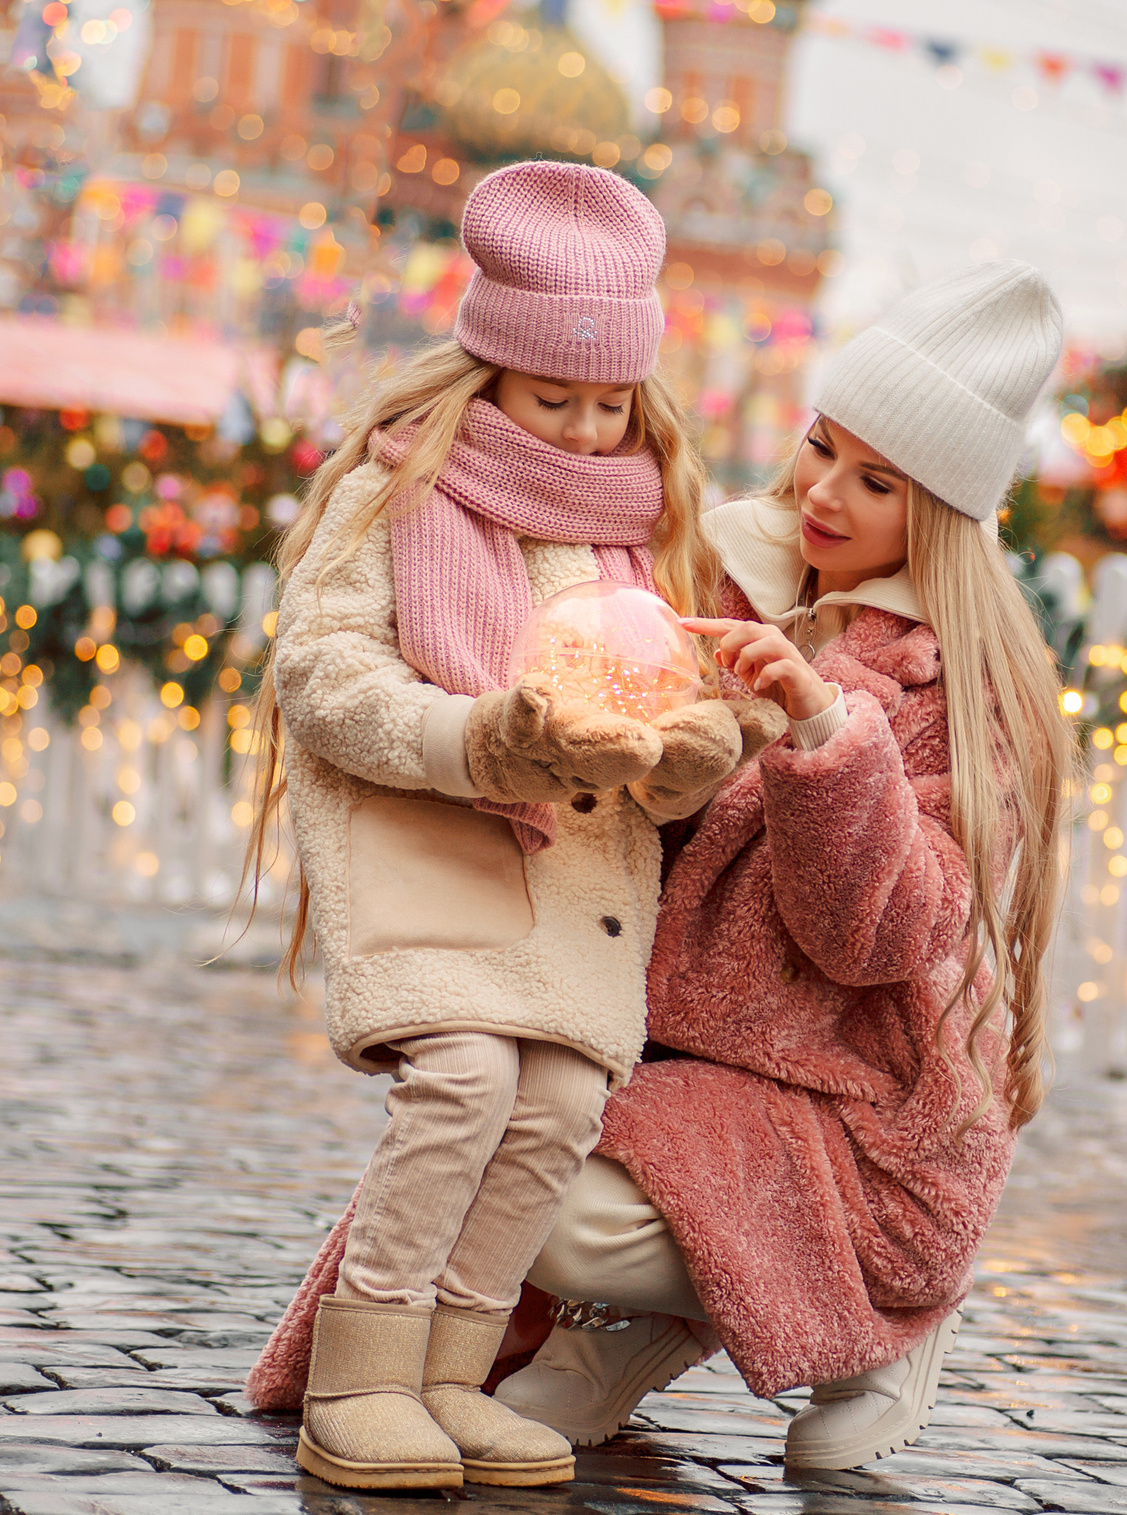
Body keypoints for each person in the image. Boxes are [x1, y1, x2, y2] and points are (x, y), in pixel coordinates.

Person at [240, 161, 782, 1493]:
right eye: (559, 400)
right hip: (442, 844)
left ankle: (447, 1372)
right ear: (489, 372)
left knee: (554, 1103)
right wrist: (478, 737)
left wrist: (697, 745)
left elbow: (650, 697)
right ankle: (363, 1373)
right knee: (466, 1080)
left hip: (580, 882)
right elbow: (323, 673)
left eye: (613, 403)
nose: (592, 432)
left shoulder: (643, 530)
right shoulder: (402, 493)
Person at [495, 261, 1078, 1472]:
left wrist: (825, 733)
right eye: (823, 447)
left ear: (943, 514)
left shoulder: (967, 692)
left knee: (551, 1212)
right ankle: (652, 1311)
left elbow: (881, 938)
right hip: (661, 1047)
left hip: (849, 1101)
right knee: (484, 1140)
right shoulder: (710, 576)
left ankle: (888, 1324)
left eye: (877, 482)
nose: (822, 492)